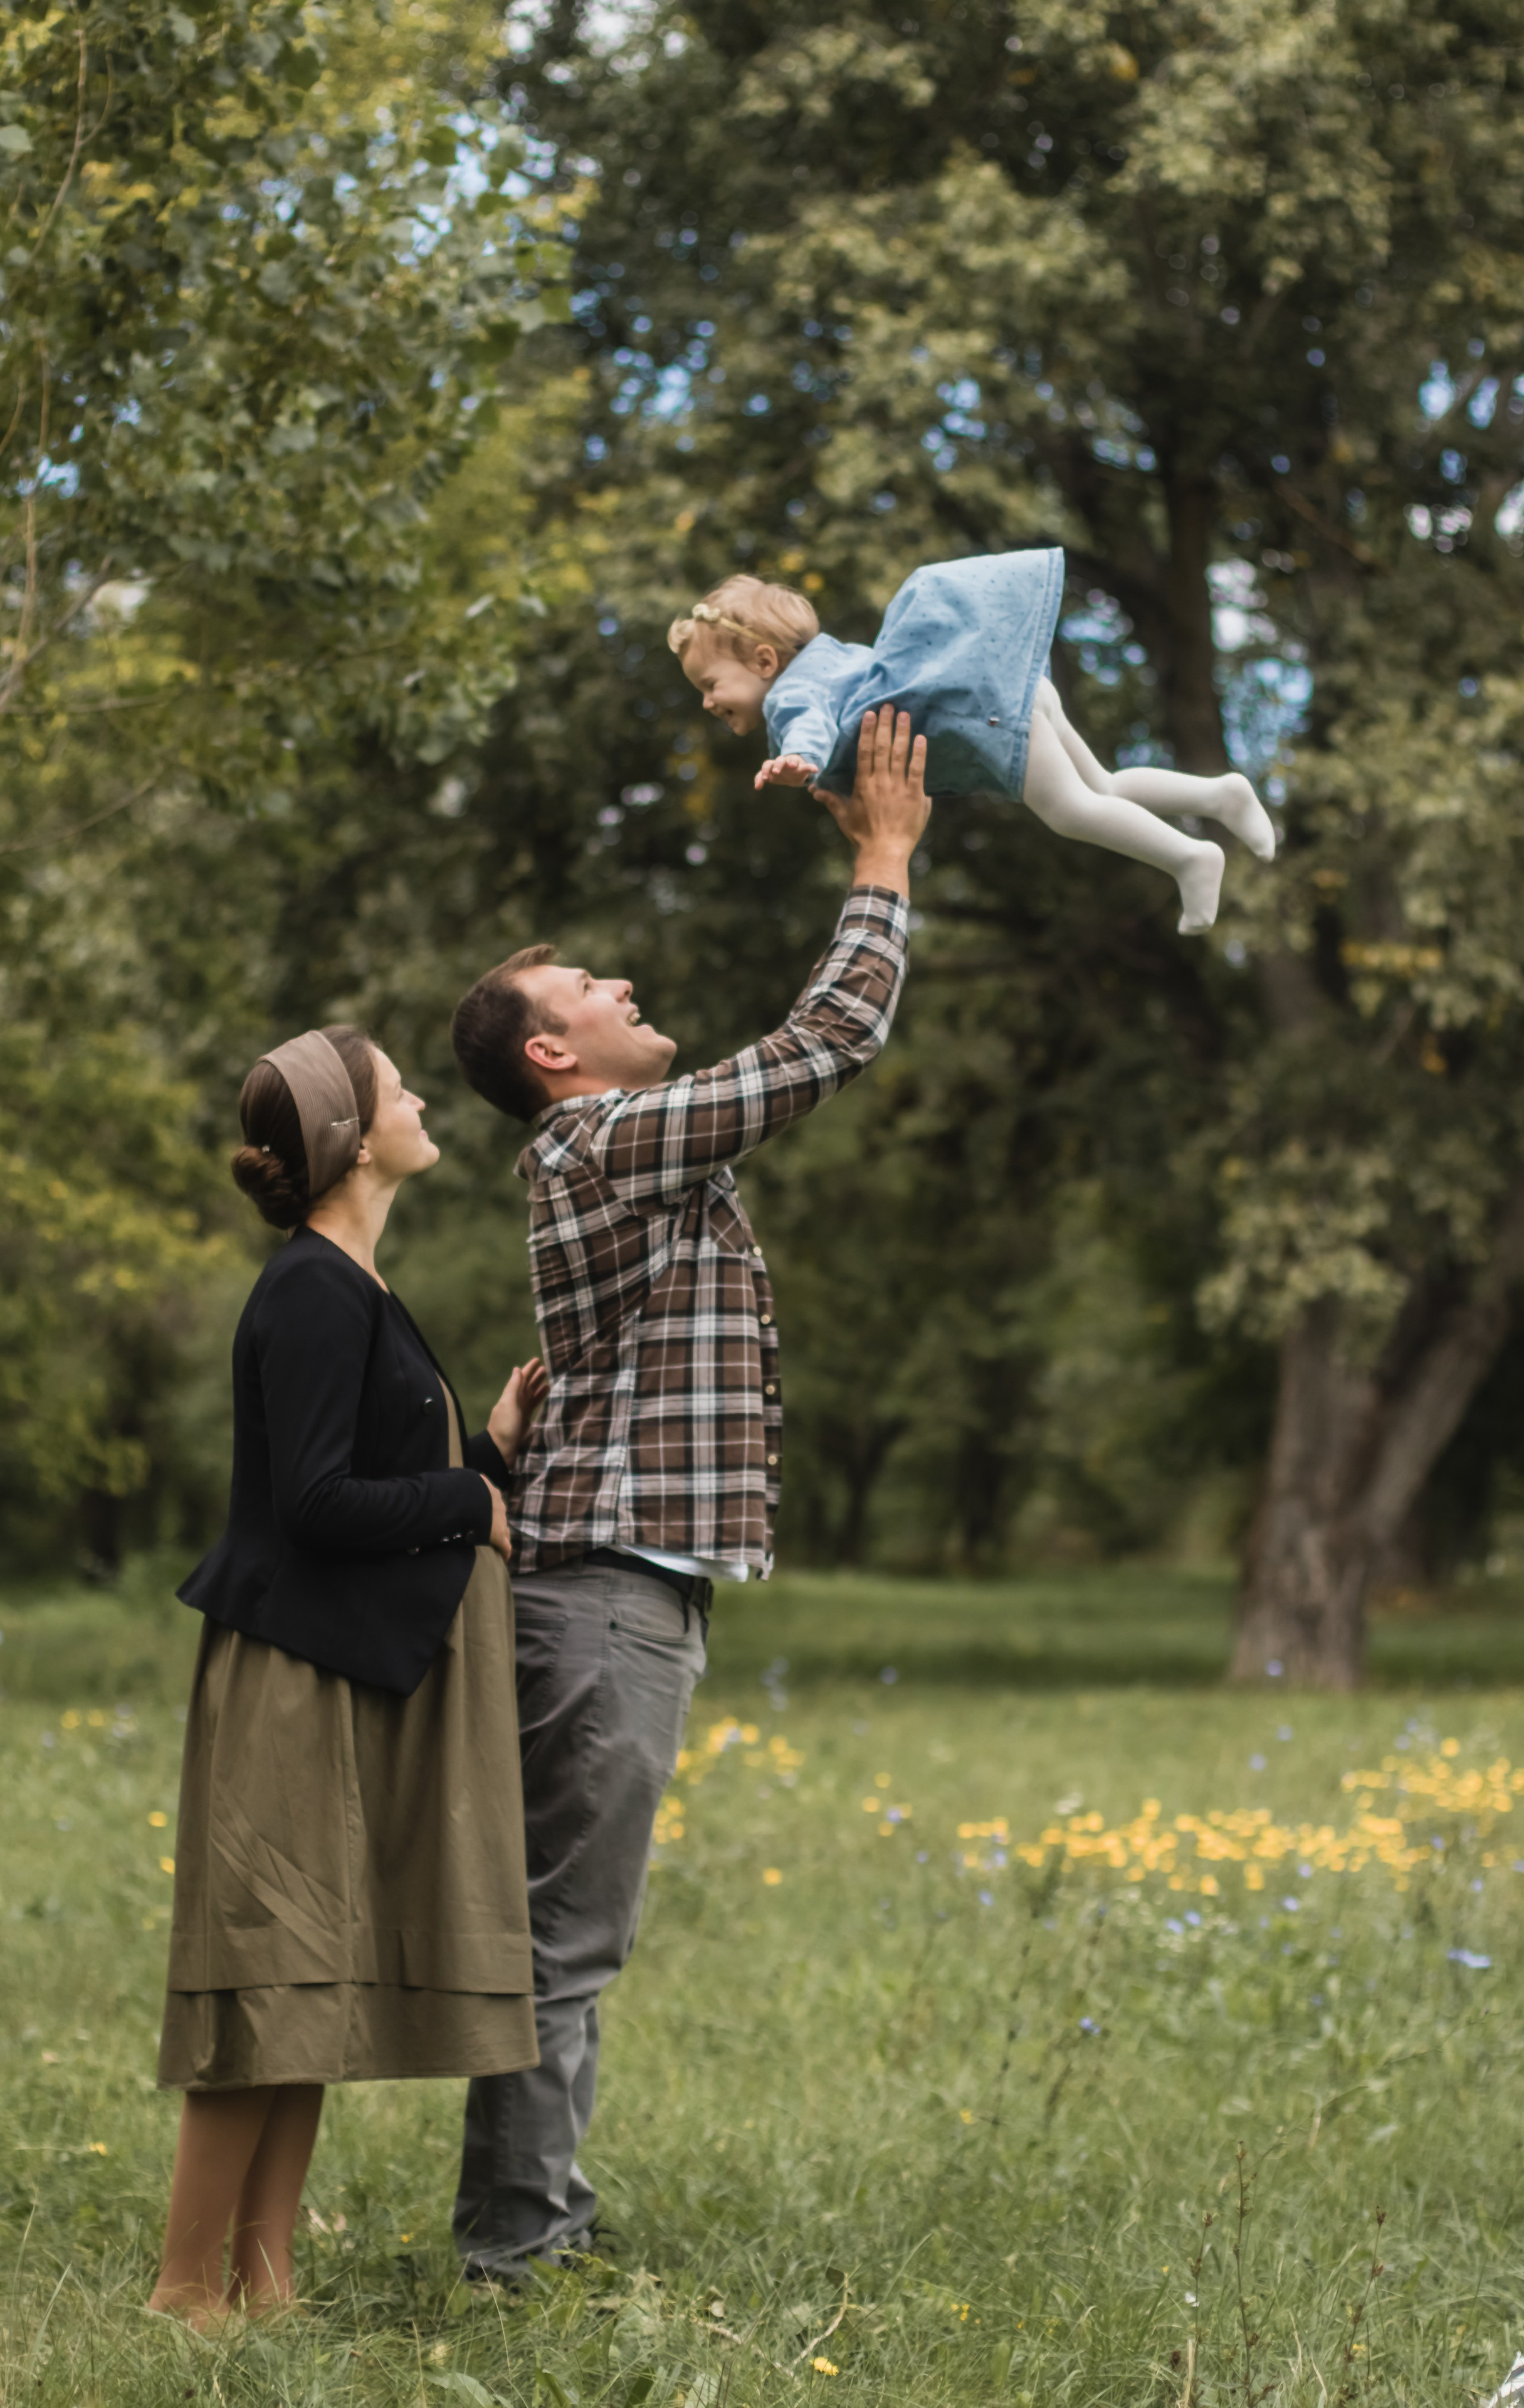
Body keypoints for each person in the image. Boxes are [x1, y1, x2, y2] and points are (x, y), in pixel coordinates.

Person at [446, 705, 931, 2280]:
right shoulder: (597, 1145)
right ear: (550, 1051)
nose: (625, 985)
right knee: (563, 1940)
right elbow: (819, 1046)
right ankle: (520, 2253)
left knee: (565, 1933)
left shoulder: (626, 1152)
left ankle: (533, 2230)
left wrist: (838, 834)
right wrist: (880, 858)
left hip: (612, 1582)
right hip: (601, 1593)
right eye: (594, 984)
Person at [149, 1023, 548, 2326]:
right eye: (398, 1089)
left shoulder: (356, 1285)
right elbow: (316, 1501)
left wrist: (479, 1454)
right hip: (287, 1681)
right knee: (267, 1980)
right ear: (349, 1135)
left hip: (341, 1673)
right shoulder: (311, 1290)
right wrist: (462, 1500)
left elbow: (371, 1481)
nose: (421, 1099)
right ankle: (182, 2291)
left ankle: (264, 2287)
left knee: (308, 1989)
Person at [668, 563, 1276, 934]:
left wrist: (796, 760)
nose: (708, 702)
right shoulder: (835, 659)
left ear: (765, 661)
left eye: (710, 685)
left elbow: (808, 727)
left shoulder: (790, 696)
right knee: (1107, 786)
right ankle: (1220, 794)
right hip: (1009, 684)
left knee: (1070, 811)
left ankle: (1188, 858)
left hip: (983, 711)